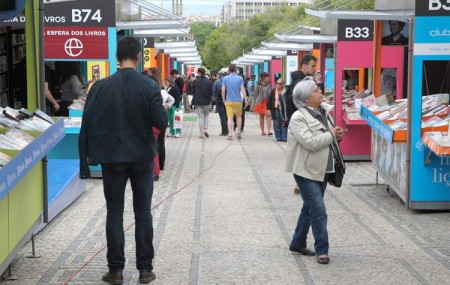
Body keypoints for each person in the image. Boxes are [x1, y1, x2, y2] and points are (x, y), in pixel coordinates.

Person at [78, 36, 168, 284]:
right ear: (139, 57)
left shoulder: (100, 87)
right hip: (141, 156)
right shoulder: (149, 86)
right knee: (143, 212)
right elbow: (161, 121)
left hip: (111, 157)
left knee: (114, 213)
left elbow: (88, 123)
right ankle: (145, 269)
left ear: (117, 57)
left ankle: (116, 270)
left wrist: (87, 160)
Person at [285, 76, 344, 265]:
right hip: (305, 169)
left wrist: (337, 135)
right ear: (306, 98)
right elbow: (310, 143)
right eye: (316, 90)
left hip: (325, 167)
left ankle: (297, 242)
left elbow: (329, 137)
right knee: (318, 209)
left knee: (309, 207)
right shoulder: (298, 117)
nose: (320, 91)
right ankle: (322, 250)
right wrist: (331, 135)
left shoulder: (325, 112)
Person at [221, 64, 248, 140]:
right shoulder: (240, 78)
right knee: (239, 117)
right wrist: (245, 99)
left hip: (228, 100)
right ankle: (239, 132)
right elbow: (242, 89)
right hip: (238, 100)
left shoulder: (225, 78)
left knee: (229, 118)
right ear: (236, 70)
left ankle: (230, 134)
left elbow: (223, 90)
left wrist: (223, 99)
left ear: (229, 70)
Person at [192, 67, 213, 138]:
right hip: (206, 101)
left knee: (200, 117)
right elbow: (211, 92)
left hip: (197, 101)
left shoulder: (195, 81)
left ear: (199, 73)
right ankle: (205, 129)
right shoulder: (208, 81)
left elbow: (193, 91)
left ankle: (201, 133)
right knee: (206, 115)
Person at [213, 71, 228, 136]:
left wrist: (214, 98)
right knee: (228, 116)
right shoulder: (228, 81)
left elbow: (213, 90)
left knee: (222, 116)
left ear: (220, 75)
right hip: (229, 100)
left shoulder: (217, 81)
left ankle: (224, 131)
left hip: (220, 100)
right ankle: (228, 130)